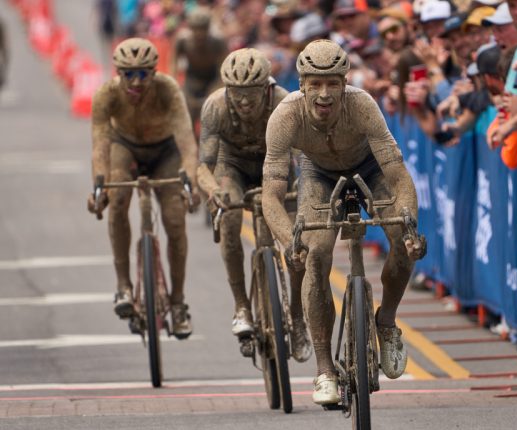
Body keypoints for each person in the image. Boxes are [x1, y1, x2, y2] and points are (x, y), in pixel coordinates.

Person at [261, 39, 425, 405]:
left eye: (332, 83)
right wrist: (291, 242)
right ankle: (324, 369)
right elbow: (270, 195)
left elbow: (398, 176)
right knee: (315, 255)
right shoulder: (285, 116)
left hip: (368, 168)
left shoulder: (362, 105)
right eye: (315, 85)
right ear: (301, 84)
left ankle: (387, 322)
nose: (324, 94)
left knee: (402, 239)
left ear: (344, 83)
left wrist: (410, 224)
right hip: (318, 174)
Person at [195, 48, 312, 360]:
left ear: (266, 88)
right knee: (230, 219)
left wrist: (302, 182)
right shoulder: (215, 107)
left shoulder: (284, 101)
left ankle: (298, 317)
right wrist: (212, 191)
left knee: (296, 242)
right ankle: (242, 306)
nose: (244, 102)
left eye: (251, 94)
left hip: (274, 166)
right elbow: (203, 166)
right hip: (231, 166)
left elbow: (303, 152)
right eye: (237, 94)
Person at [87, 38, 200, 338]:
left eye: (143, 74)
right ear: (118, 73)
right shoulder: (106, 95)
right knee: (118, 197)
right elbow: (100, 146)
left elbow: (188, 143)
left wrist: (190, 180)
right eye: (128, 74)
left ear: (154, 72)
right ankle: (123, 286)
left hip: (165, 150)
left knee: (175, 220)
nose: (135, 82)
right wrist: (99, 188)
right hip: (124, 146)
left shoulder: (168, 90)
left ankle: (177, 304)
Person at [170, 6, 228, 131]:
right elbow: (173, 62)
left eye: (203, 29)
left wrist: (216, 88)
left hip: (211, 78)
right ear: (190, 28)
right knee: (186, 112)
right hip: (192, 79)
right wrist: (174, 83)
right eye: (196, 29)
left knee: (214, 113)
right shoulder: (182, 40)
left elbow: (224, 68)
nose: (199, 33)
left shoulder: (218, 41)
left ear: (208, 28)